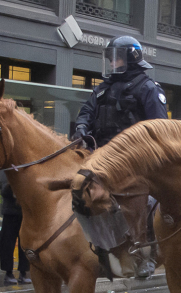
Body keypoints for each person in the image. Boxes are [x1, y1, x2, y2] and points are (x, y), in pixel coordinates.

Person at [72, 35, 168, 278]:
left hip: (135, 160)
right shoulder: (102, 88)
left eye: (117, 59)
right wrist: (82, 127)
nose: (113, 63)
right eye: (111, 59)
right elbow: (85, 112)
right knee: (80, 193)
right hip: (101, 157)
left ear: (131, 59)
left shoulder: (148, 88)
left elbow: (159, 128)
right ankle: (100, 250)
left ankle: (148, 254)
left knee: (147, 203)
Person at [0, 181, 31, 285]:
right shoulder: (7, 172)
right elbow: (3, 191)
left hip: (24, 212)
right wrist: (10, 185)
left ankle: (24, 271)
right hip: (10, 212)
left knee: (25, 243)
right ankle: (8, 272)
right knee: (7, 243)